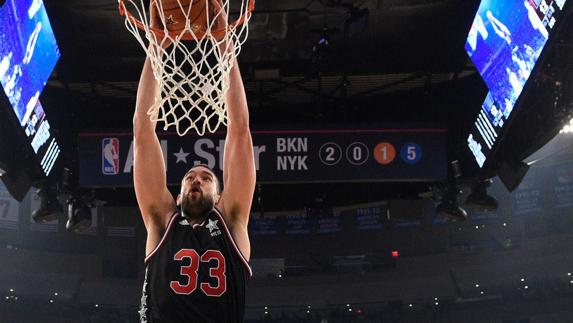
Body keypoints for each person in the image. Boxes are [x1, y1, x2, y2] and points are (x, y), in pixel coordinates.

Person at [133, 5, 256, 322]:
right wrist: (156, 48)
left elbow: (240, 130)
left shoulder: (233, 220)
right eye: (189, 177)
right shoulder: (161, 222)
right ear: (177, 195)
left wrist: (225, 44)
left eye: (205, 177)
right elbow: (143, 130)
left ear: (220, 196)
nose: (197, 179)